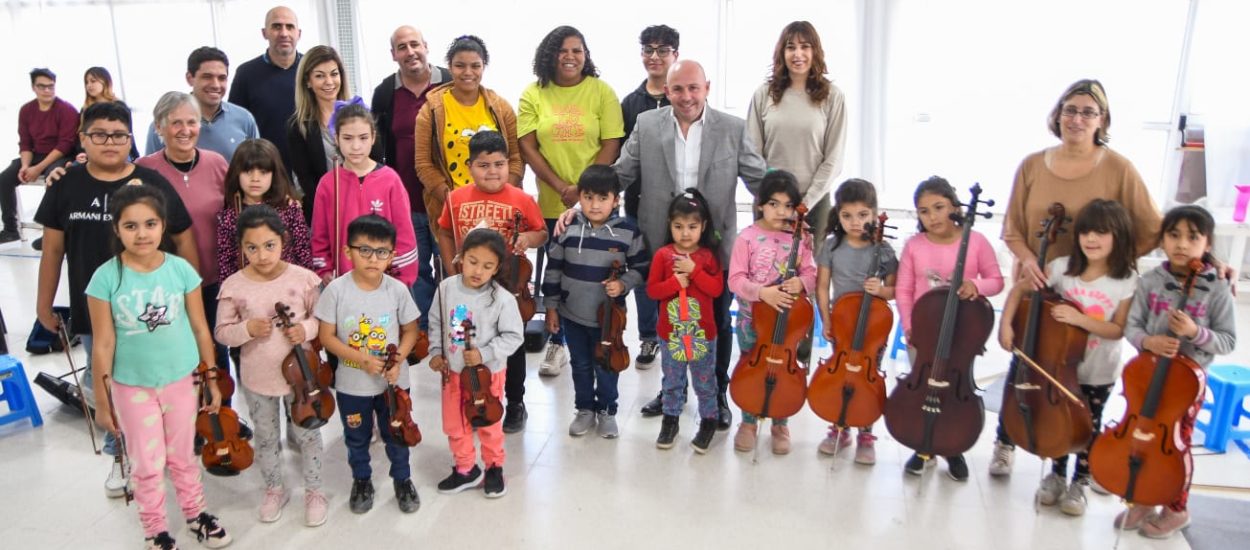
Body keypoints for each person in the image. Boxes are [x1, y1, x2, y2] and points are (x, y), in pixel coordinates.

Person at [991, 78, 1162, 477]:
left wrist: (1114, 263)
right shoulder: (1032, 164)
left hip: (1092, 292)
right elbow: (1013, 227)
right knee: (1024, 367)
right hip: (1039, 282)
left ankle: (1076, 458)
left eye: (1088, 112)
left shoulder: (1119, 168)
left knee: (1082, 378)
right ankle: (1006, 440)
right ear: (1057, 115)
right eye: (1070, 109)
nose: (1078, 118)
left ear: (1102, 120)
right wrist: (1029, 260)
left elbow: (1152, 226)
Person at [34, 101, 198, 498]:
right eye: (99, 135)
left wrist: (190, 290)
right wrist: (44, 306)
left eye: (120, 135)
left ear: (130, 139)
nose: (110, 143)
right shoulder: (66, 184)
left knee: (162, 381)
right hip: (95, 309)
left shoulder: (152, 181)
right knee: (105, 379)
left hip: (154, 307)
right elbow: (53, 250)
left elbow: (183, 237)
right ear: (83, 139)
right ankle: (121, 455)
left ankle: (170, 453)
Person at [612, 58, 767, 429]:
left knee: (715, 323)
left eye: (694, 88)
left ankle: (717, 395)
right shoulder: (647, 125)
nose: (686, 96)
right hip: (659, 244)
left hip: (714, 245)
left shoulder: (732, 128)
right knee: (669, 323)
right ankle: (672, 394)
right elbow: (621, 173)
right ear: (667, 91)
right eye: (678, 89)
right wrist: (583, 205)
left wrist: (791, 209)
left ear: (707, 88)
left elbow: (760, 180)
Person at [85, 184, 230, 550]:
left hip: (181, 380)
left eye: (150, 224)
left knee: (182, 455)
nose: (142, 233)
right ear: (116, 229)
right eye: (130, 226)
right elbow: (102, 344)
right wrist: (102, 404)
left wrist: (211, 377)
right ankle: (156, 531)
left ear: (163, 226)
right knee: (147, 463)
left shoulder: (181, 270)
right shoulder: (105, 278)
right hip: (132, 386)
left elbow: (200, 327)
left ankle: (196, 515)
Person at [997, 199, 1138, 516]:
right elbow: (1021, 290)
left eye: (1101, 232)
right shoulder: (1061, 269)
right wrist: (1005, 324)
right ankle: (1057, 476)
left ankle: (1081, 481)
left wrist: (1080, 320)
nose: (1091, 239)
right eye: (1086, 231)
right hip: (1057, 370)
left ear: (1120, 236)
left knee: (1088, 427)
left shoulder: (1126, 280)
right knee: (1058, 422)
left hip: (1097, 370)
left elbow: (1118, 330)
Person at [1115, 205, 1235, 539]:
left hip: (1187, 385)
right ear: (1162, 241)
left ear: (1207, 244)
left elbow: (1227, 341)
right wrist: (1149, 341)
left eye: (1192, 237)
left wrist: (1196, 332)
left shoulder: (1217, 288)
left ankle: (1176, 509)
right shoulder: (1151, 281)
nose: (1182, 243)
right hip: (1147, 376)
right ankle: (1142, 499)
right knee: (1142, 440)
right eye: (1174, 235)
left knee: (1176, 446)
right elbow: (1131, 326)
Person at [518, 25, 625, 377]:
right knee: (557, 274)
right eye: (563, 50)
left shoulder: (601, 91)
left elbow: (611, 142)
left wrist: (582, 189)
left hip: (597, 206)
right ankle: (557, 342)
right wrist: (561, 186)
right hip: (552, 202)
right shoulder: (534, 93)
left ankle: (602, 338)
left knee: (595, 275)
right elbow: (527, 146)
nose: (570, 56)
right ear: (549, 55)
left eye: (577, 50)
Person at [214, 205, 326, 527]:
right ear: (241, 248)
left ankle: (314, 490)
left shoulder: (304, 279)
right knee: (265, 437)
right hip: (258, 377)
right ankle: (274, 488)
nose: (262, 255)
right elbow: (222, 333)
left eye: (269, 245)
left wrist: (303, 330)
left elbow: (321, 320)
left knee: (308, 434)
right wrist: (246, 329)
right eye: (252, 247)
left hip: (301, 380)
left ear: (283, 241)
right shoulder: (233, 285)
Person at [894, 176, 1004, 481]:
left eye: (939, 207)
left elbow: (997, 281)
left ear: (955, 206)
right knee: (922, 392)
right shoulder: (914, 245)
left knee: (952, 395)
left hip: (962, 333)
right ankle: (922, 447)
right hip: (923, 334)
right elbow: (903, 290)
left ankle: (953, 448)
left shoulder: (976, 241)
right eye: (924, 211)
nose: (932, 217)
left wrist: (976, 286)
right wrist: (908, 325)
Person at [436, 131, 546, 434]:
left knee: (510, 346)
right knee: (466, 343)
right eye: (484, 165)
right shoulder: (456, 198)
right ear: (470, 166)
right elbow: (444, 232)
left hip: (508, 289)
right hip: (466, 288)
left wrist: (526, 238)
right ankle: (473, 399)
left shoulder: (521, 199)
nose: (493, 171)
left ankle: (515, 403)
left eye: (499, 164)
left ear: (508, 164)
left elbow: (542, 233)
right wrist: (449, 265)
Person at [314, 214, 421, 514]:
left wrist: (397, 358)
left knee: (397, 432)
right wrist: (361, 359)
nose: (373, 259)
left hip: (393, 381)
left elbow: (411, 330)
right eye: (364, 250)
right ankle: (362, 479)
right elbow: (326, 337)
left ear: (392, 255)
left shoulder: (397, 290)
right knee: (356, 437)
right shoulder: (336, 290)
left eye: (382, 252)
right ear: (348, 252)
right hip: (352, 384)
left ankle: (403, 479)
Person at [542, 165, 648, 439]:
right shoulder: (567, 228)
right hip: (572, 314)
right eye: (588, 197)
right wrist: (551, 307)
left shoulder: (628, 232)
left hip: (609, 320)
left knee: (607, 366)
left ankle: (607, 411)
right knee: (580, 365)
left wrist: (623, 284)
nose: (595, 204)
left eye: (603, 198)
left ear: (616, 200)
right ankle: (585, 409)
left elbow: (640, 268)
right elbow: (553, 269)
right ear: (580, 198)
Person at [135, 91, 232, 391]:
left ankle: (222, 418)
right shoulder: (144, 169)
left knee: (217, 350)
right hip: (168, 283)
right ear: (159, 127)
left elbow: (239, 208)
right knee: (179, 353)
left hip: (216, 279)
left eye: (192, 122)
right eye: (175, 123)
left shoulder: (216, 163)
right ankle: (188, 420)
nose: (185, 130)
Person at [428, 228, 525, 498]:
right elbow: (436, 322)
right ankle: (465, 468)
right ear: (460, 257)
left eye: (487, 266)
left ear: (496, 268)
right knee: (454, 423)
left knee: (489, 422)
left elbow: (514, 337)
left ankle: (494, 466)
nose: (478, 271)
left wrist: (484, 353)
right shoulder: (446, 288)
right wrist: (437, 351)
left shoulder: (502, 299)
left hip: (487, 375)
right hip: (453, 372)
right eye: (472, 261)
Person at [728, 171, 817, 455]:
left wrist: (801, 282)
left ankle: (781, 422)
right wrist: (762, 292)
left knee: (783, 369)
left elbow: (812, 274)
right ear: (760, 205)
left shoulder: (800, 239)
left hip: (787, 324)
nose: (782, 211)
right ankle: (748, 421)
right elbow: (735, 280)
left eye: (789, 206)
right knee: (749, 368)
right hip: (751, 320)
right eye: (774, 204)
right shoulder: (747, 238)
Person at [372, 25, 450, 333]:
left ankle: (451, 333)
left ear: (426, 46)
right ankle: (424, 334)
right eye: (402, 47)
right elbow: (377, 150)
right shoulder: (384, 92)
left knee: (452, 269)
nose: (410, 52)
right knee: (415, 272)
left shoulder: (451, 82)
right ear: (394, 55)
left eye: (414, 44)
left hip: (446, 200)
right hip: (406, 202)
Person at [813, 178, 897, 465]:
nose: (855, 222)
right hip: (842, 323)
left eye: (863, 215)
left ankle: (866, 433)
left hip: (874, 328)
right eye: (847, 215)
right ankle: (839, 427)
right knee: (841, 375)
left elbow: (894, 290)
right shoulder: (832, 246)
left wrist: (881, 290)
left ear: (875, 214)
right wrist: (825, 319)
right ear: (838, 214)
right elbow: (822, 286)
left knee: (867, 379)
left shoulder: (883, 250)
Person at [746, 21, 847, 250]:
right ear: (782, 52)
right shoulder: (764, 94)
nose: (798, 54)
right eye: (791, 47)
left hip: (812, 203)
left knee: (806, 278)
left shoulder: (832, 97)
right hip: (769, 203)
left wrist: (804, 204)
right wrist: (772, 202)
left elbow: (834, 158)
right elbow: (751, 153)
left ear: (815, 52)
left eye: (805, 47)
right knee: (765, 271)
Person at [621, 24, 678, 373]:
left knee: (677, 268)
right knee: (644, 269)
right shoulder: (631, 103)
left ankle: (675, 332)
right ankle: (648, 336)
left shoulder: (685, 95)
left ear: (675, 55)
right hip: (639, 200)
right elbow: (625, 157)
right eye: (648, 49)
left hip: (681, 205)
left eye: (662, 50)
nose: (654, 56)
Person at [309, 101, 416, 287]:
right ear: (336, 138)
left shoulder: (390, 180)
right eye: (348, 138)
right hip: (343, 283)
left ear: (373, 137)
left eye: (363, 138)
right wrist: (324, 271)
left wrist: (400, 279)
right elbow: (320, 235)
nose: (356, 146)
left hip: (385, 282)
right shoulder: (327, 183)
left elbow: (405, 235)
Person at [648, 189, 723, 452]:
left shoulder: (707, 257)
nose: (685, 233)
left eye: (692, 226)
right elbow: (652, 290)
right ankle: (670, 420)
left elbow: (715, 290)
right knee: (672, 380)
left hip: (702, 334)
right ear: (670, 225)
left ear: (703, 226)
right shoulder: (663, 255)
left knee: (704, 380)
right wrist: (673, 283)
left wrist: (695, 271)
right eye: (678, 226)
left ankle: (709, 420)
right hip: (671, 334)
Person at [288, 45, 378, 222]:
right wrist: (332, 211)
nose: (329, 82)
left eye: (334, 74)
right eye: (320, 76)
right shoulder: (298, 126)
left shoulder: (360, 113)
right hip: (325, 214)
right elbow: (305, 180)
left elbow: (376, 161)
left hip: (367, 208)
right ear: (308, 81)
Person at [216, 138, 312, 283]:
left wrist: (307, 287)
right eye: (248, 172)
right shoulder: (229, 216)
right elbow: (226, 265)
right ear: (237, 174)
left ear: (274, 175)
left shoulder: (289, 208)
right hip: (248, 293)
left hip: (289, 288)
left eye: (263, 172)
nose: (255, 179)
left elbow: (303, 252)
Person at [1, 68, 78, 243]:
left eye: (51, 86)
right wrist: (25, 166)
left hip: (60, 155)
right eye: (42, 87)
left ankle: (51, 233)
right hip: (34, 155)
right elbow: (25, 142)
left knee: (53, 178)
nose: (47, 91)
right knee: (5, 178)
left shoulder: (66, 110)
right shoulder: (26, 110)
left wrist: (39, 168)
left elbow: (65, 144)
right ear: (33, 87)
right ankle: (11, 229)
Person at [145, 47, 259, 161]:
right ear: (190, 78)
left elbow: (258, 165)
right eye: (207, 77)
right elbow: (151, 171)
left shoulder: (244, 119)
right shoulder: (165, 123)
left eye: (222, 78)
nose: (216, 85)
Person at [229, 6, 303, 172]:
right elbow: (235, 124)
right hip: (264, 171)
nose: (284, 33)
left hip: (309, 170)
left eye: (289, 27)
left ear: (299, 33)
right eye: (276, 26)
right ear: (264, 33)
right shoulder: (246, 73)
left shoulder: (313, 70)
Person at [82, 67, 139, 161]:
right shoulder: (85, 109)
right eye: (86, 82)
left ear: (105, 82)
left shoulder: (120, 107)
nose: (89, 85)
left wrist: (136, 157)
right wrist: (81, 154)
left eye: (93, 81)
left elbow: (129, 133)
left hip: (118, 150)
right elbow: (82, 136)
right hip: (91, 153)